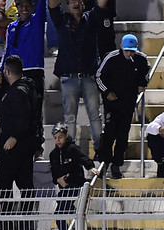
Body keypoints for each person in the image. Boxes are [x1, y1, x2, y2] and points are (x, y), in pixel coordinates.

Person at [48, 0, 110, 151]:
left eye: (79, 0)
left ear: (84, 3)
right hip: (69, 77)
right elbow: (52, 4)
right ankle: (70, 151)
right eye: (72, 1)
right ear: (67, 5)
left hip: (89, 76)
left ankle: (99, 150)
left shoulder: (92, 18)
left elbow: (101, 4)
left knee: (95, 116)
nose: (75, 3)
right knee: (70, 117)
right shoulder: (61, 20)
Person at [0, 55, 41, 230]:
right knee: (24, 184)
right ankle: (23, 224)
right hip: (24, 146)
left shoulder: (18, 91)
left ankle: (9, 223)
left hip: (14, 147)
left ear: (6, 71)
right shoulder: (26, 88)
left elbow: (24, 116)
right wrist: (1, 120)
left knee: (5, 183)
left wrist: (13, 136)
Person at [0, 0, 47, 158]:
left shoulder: (36, 20)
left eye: (27, 5)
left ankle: (37, 147)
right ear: (16, 8)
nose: (24, 8)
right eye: (20, 5)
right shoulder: (12, 27)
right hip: (16, 73)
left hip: (34, 70)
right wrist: (0, 70)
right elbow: (7, 50)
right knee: (18, 110)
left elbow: (41, 4)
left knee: (35, 110)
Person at [95, 33, 150, 179]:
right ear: (121, 48)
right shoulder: (111, 58)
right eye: (126, 50)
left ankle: (116, 164)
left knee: (123, 134)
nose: (129, 54)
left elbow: (146, 73)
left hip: (128, 102)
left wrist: (142, 84)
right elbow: (99, 76)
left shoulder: (141, 59)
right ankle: (104, 163)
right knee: (109, 132)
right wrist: (107, 92)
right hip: (112, 102)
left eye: (132, 51)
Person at [49, 122, 98, 230]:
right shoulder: (53, 154)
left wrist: (90, 167)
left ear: (66, 136)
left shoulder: (72, 149)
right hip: (64, 188)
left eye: (60, 137)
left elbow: (83, 158)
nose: (58, 141)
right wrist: (59, 180)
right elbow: (54, 174)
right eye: (55, 138)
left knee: (60, 212)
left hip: (75, 185)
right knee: (60, 213)